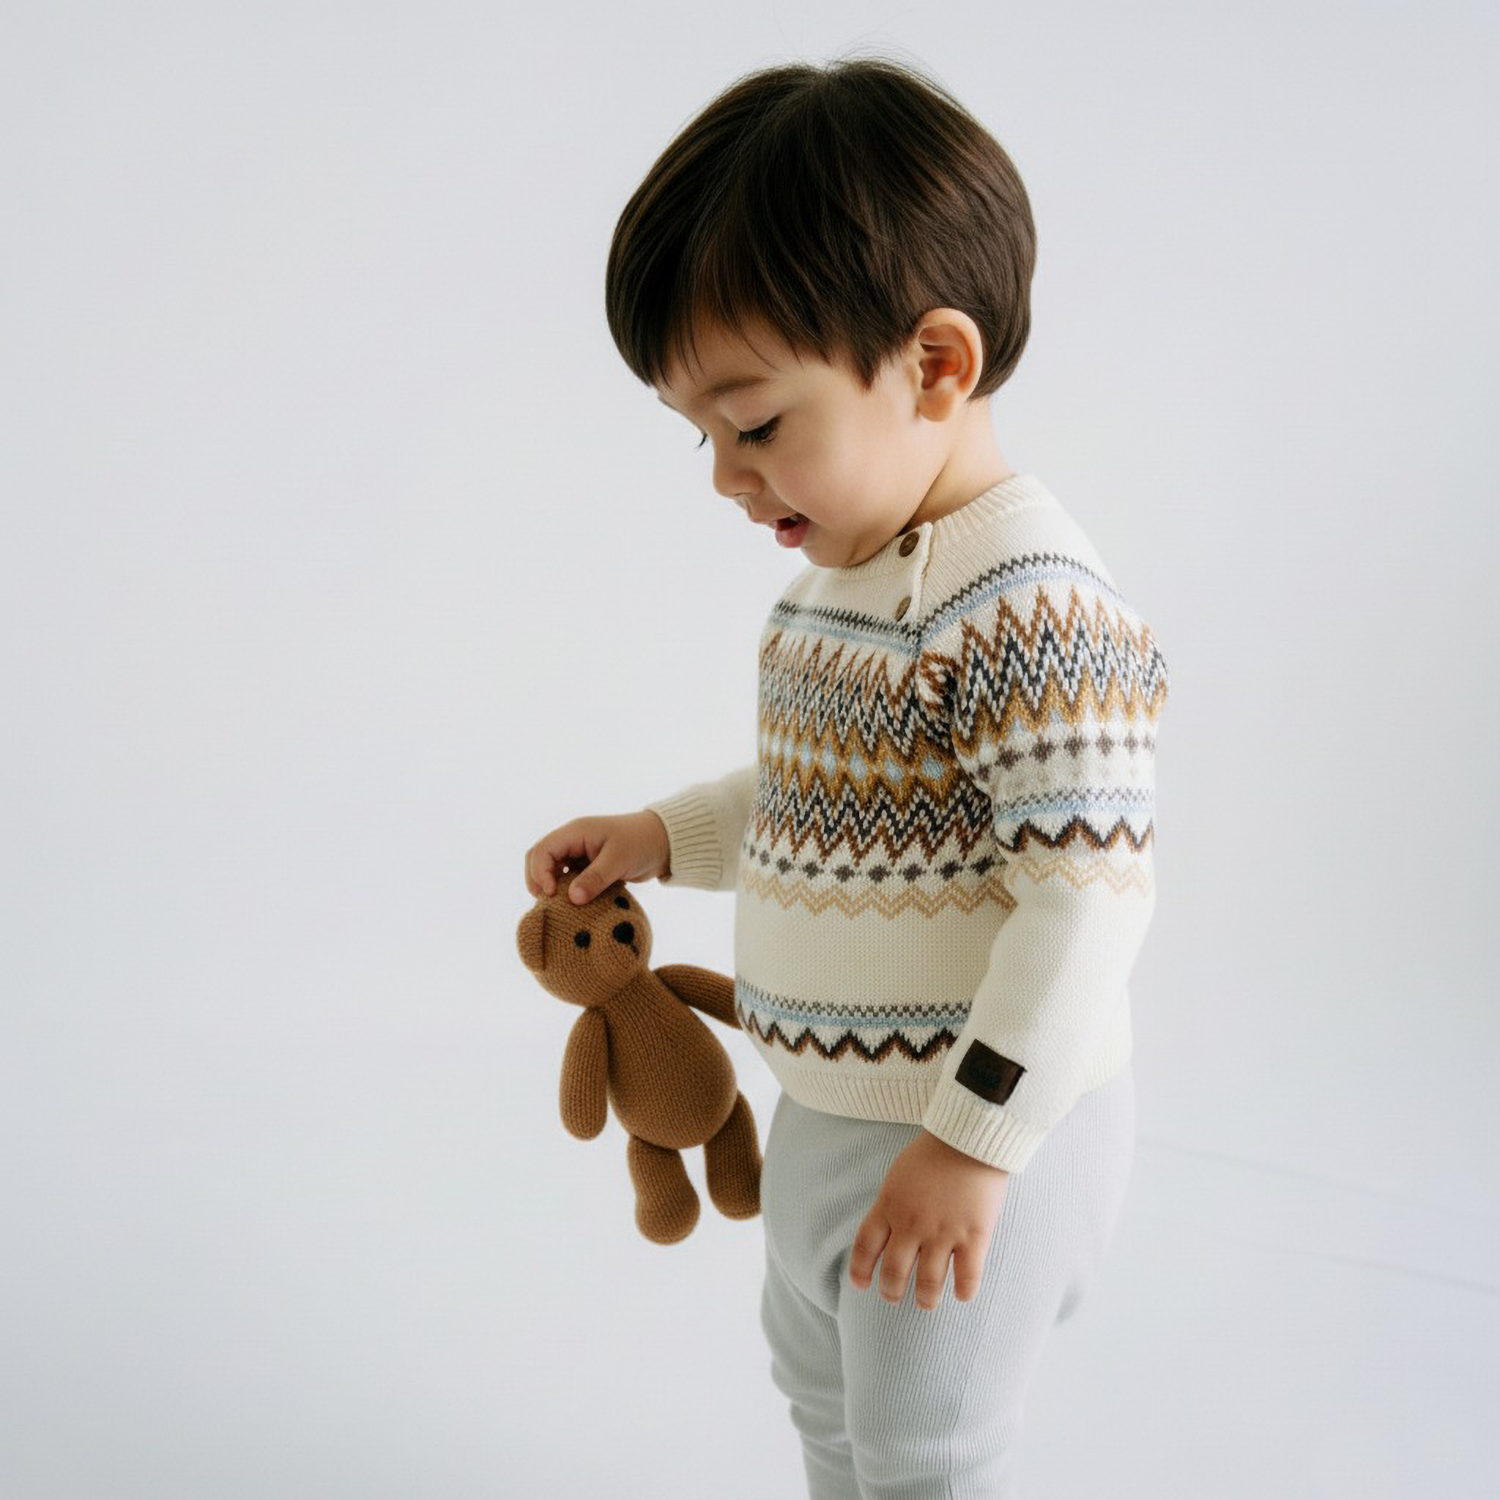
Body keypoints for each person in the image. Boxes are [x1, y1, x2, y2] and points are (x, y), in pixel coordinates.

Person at [523, 55, 1171, 1499]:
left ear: (936, 365)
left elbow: (1084, 906)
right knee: (827, 1414)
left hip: (978, 1130)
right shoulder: (841, 584)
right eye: (701, 434)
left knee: (928, 1454)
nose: (723, 475)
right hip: (828, 1110)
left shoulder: (1033, 611)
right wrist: (657, 836)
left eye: (753, 423)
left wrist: (974, 1142)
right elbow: (820, 804)